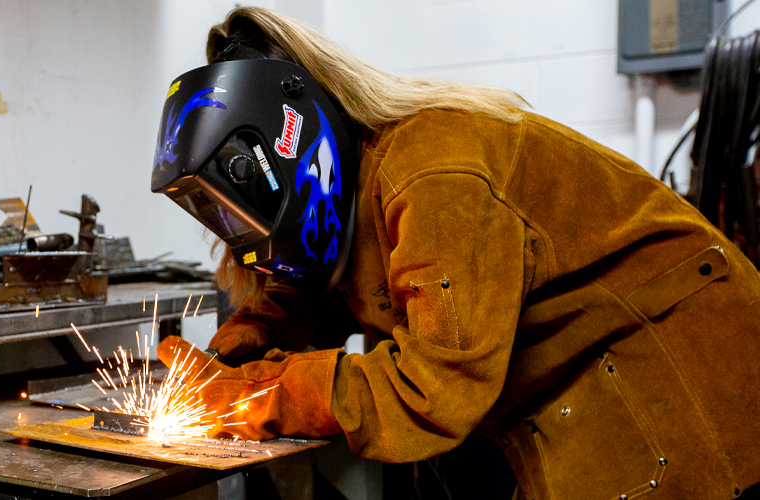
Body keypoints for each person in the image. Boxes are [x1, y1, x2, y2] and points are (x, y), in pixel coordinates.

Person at [149, 7, 760, 500]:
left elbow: (434, 389)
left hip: (685, 378)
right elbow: (314, 279)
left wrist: (259, 395)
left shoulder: (433, 171)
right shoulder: (363, 177)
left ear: (289, 137)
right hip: (582, 391)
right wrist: (236, 349)